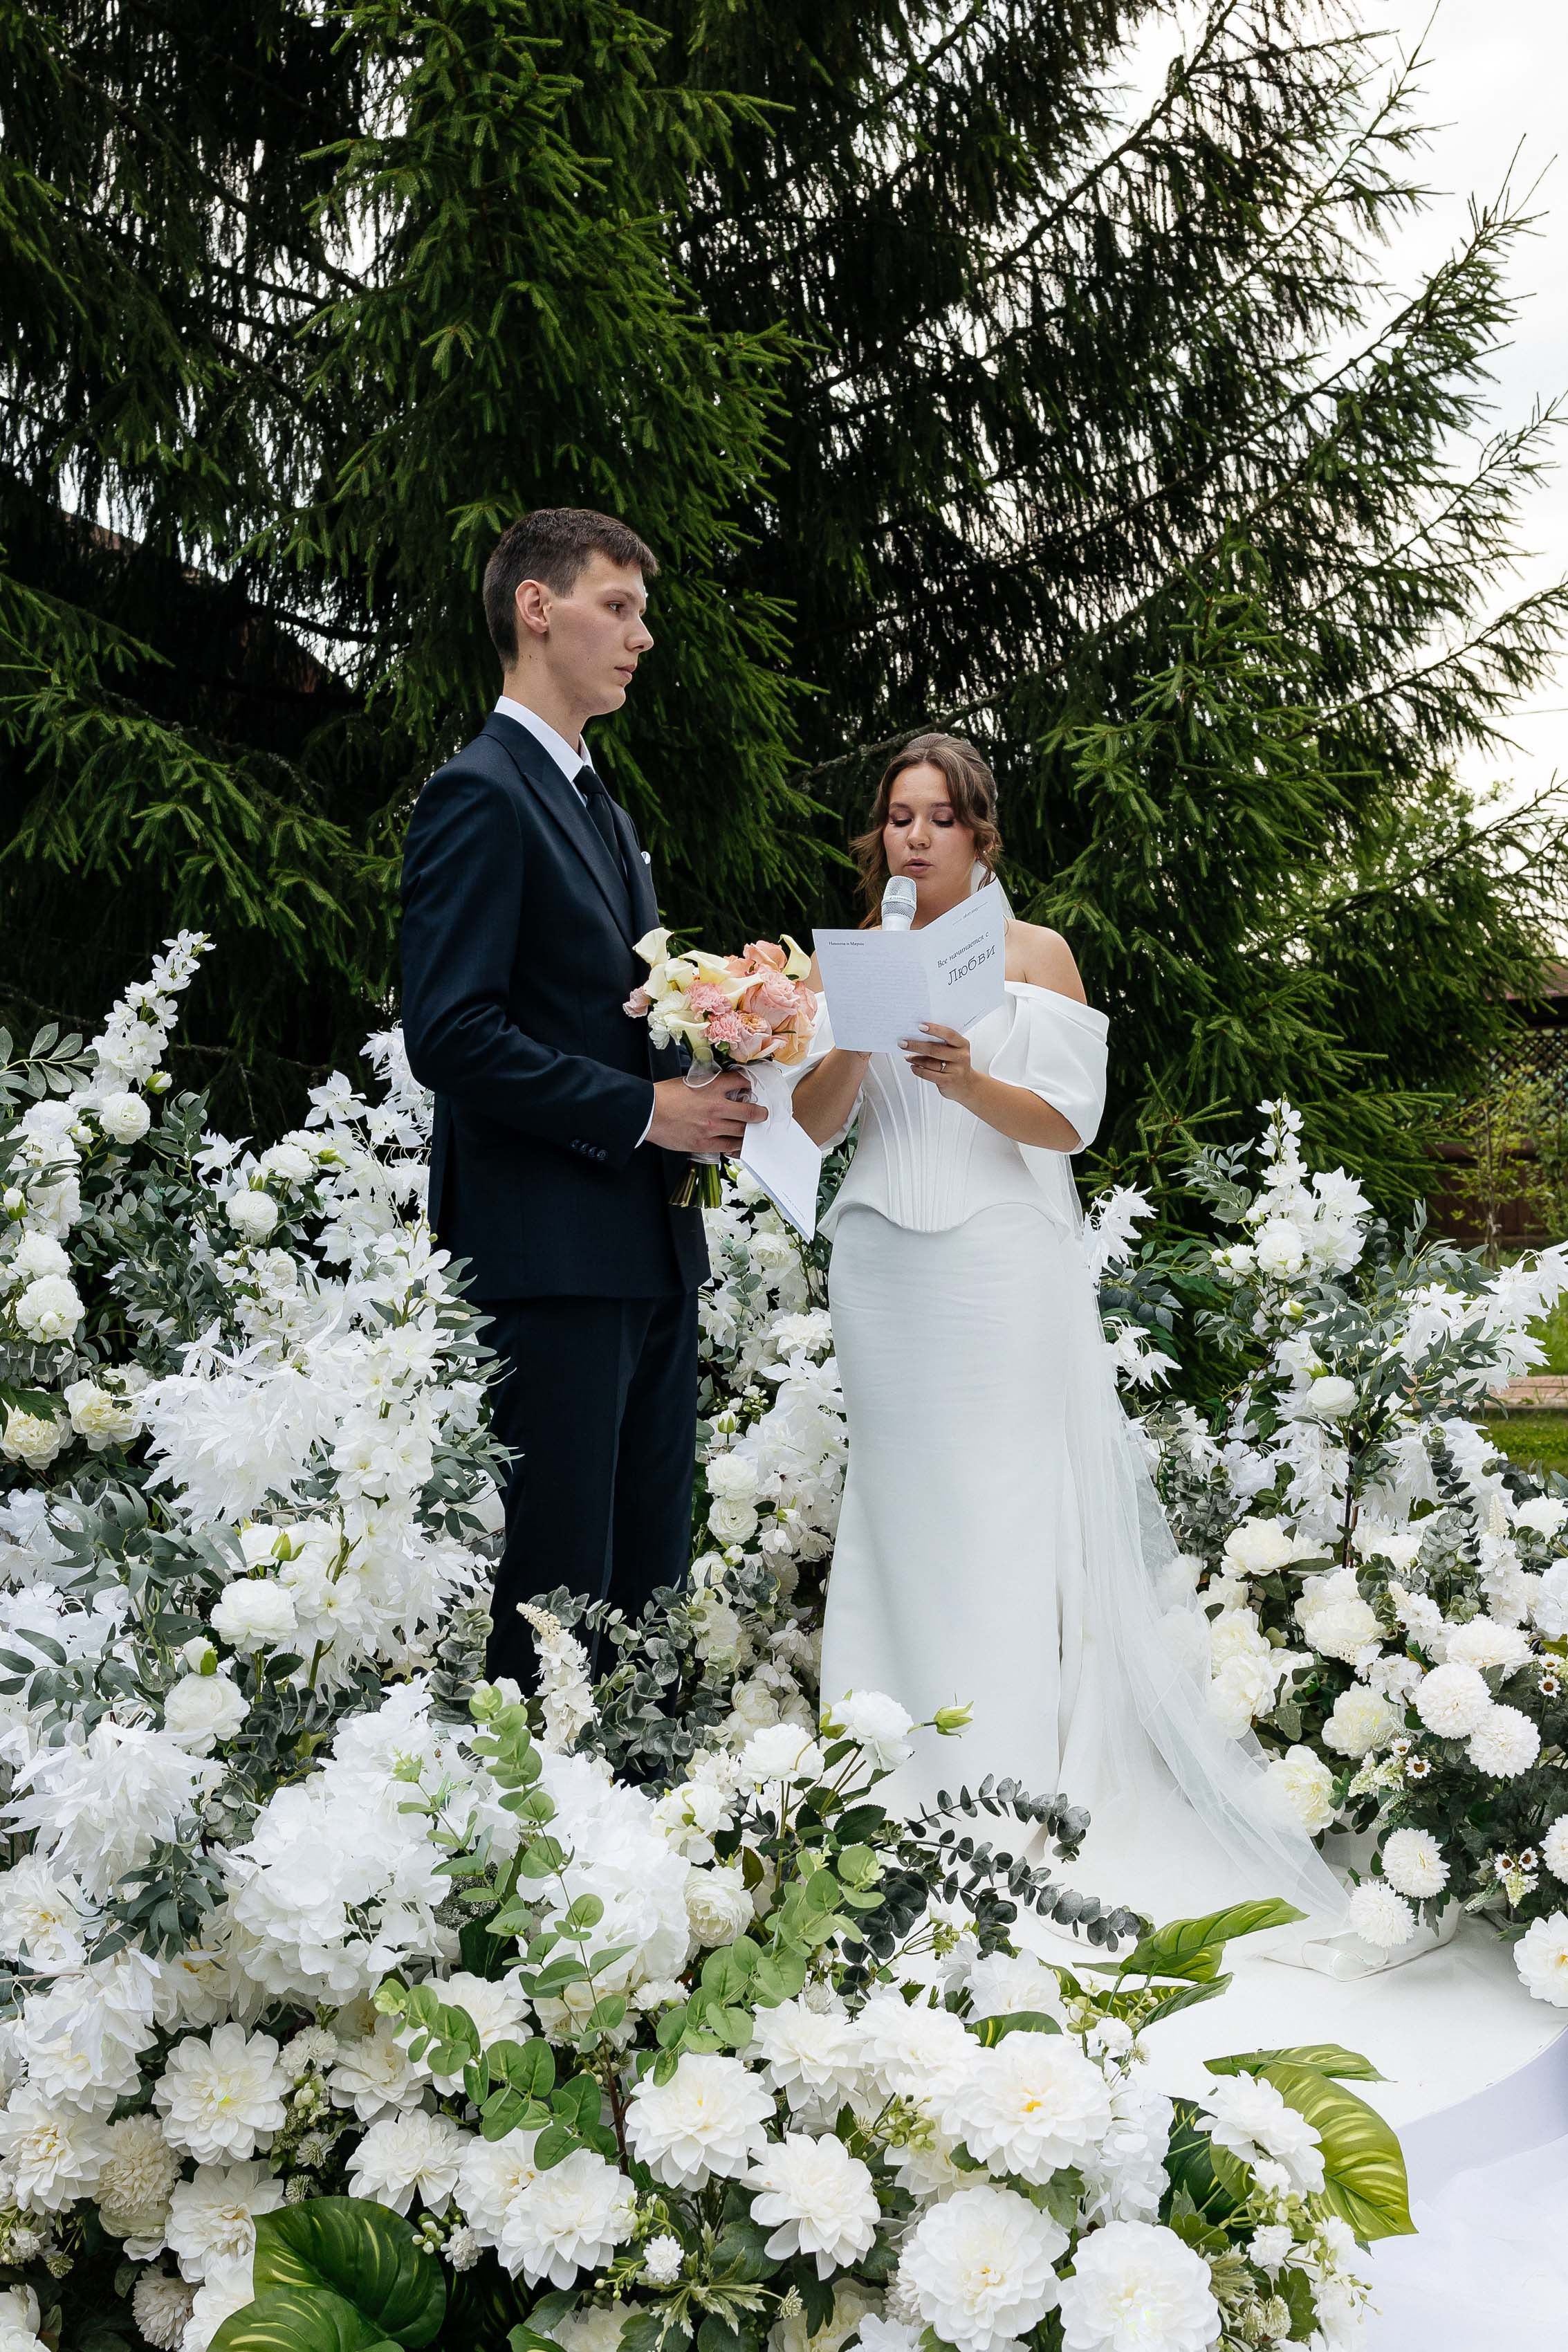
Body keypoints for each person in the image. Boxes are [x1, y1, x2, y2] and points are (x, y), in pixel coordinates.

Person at [791, 732, 1357, 1951]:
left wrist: (963, 1077)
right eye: (899, 816)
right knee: (897, 1510)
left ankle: (1000, 1793)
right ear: (878, 836)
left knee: (998, 1515)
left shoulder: (1036, 954)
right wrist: (854, 1027)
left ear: (981, 833)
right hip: (883, 1261)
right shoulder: (849, 961)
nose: (918, 836)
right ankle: (882, 1780)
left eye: (941, 816)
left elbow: (1068, 1124)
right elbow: (816, 1120)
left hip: (1001, 1263)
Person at [400, 508, 764, 1686]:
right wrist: (646, 1114)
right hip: (548, 1254)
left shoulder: (602, 808)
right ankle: (543, 1845)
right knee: (555, 1598)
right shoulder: (480, 794)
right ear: (535, 608)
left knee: (645, 1581)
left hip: (649, 1250)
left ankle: (645, 1833)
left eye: (642, 612)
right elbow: (450, 1034)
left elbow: (607, 1015)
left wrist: (711, 1063)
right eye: (619, 606)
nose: (641, 636)